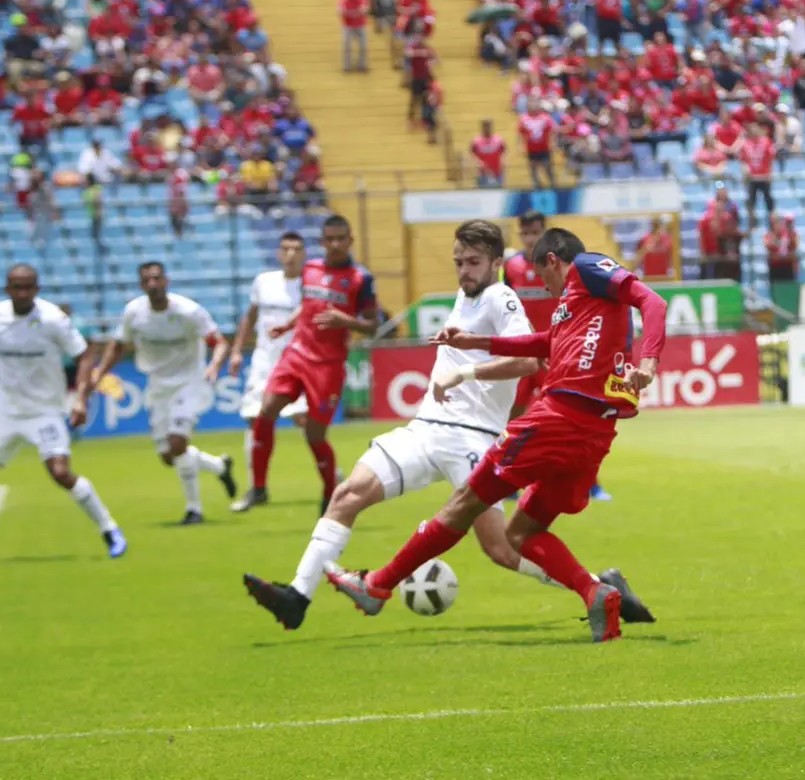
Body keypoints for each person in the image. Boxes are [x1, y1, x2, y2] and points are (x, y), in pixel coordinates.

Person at [242, 220, 653, 630]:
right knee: (347, 494)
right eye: (458, 262)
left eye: (473, 262)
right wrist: (468, 349)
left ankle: (599, 586)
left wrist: (467, 373)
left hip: (472, 438)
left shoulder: (502, 298)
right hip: (425, 429)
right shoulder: (465, 296)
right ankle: (297, 596)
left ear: (496, 262)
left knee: (502, 547)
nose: (464, 271)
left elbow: (530, 360)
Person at [0, 265, 126, 565]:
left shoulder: (53, 319)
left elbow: (84, 355)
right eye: (16, 287)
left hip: (44, 410)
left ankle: (110, 529)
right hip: (5, 411)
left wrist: (81, 398)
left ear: (37, 289)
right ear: (7, 289)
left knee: (60, 473)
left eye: (28, 287)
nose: (22, 293)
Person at [235, 216, 378, 514]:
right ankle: (259, 488)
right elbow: (307, 306)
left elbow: (373, 325)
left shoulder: (360, 278)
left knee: (314, 434)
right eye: (330, 239)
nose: (336, 244)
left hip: (327, 366)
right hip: (296, 354)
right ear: (323, 241)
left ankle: (330, 491)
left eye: (341, 238)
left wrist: (345, 321)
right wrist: (288, 325)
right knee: (265, 413)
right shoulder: (310, 269)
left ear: (350, 240)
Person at [92, 262, 236, 525]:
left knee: (178, 443)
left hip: (189, 382)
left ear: (166, 281)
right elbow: (118, 345)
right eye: (147, 280)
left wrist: (215, 365)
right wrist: (100, 371)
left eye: (157, 279)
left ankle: (194, 510)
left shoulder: (188, 310)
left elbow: (219, 342)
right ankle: (219, 466)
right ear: (141, 284)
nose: (153, 284)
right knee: (169, 456)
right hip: (158, 385)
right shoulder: (134, 313)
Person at [503, 211, 612, 502]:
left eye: (536, 232)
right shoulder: (511, 267)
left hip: (559, 354)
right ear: (519, 234)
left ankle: (591, 484)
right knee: (511, 415)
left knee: (573, 419)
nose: (531, 239)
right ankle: (508, 481)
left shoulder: (562, 268)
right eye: (526, 233)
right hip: (527, 352)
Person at [229, 234, 310, 507]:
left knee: (305, 421)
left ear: (304, 253)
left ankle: (332, 476)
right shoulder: (264, 282)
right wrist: (238, 350)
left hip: (298, 362)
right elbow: (250, 317)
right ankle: (256, 488)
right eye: (286, 249)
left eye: (296, 249)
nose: (291, 254)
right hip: (264, 361)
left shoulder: (311, 283)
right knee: (256, 420)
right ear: (278, 253)